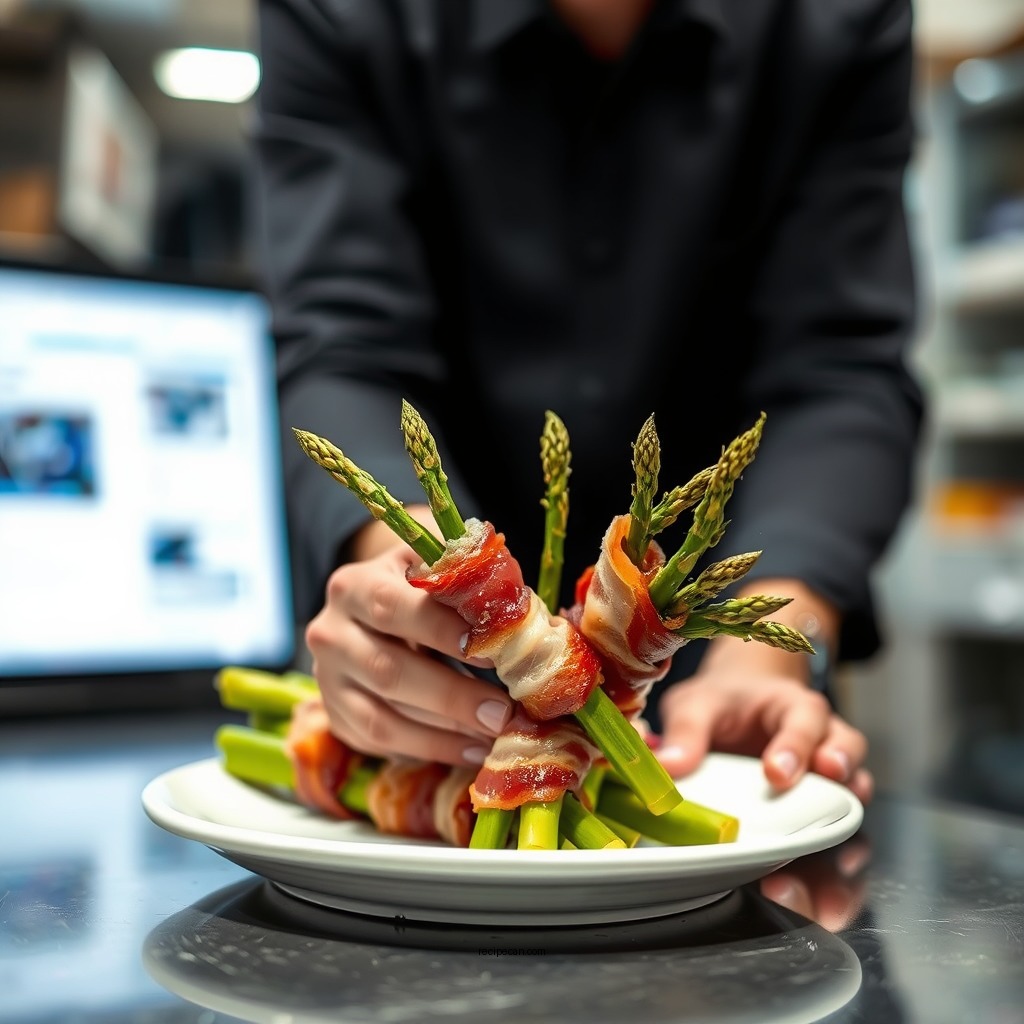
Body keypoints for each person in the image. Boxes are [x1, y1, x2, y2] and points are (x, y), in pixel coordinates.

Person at [254, 0, 925, 807]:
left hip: (725, 720)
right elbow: (343, 346)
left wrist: (773, 641)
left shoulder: (842, 17)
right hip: (420, 706)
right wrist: (407, 570)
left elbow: (842, 365)